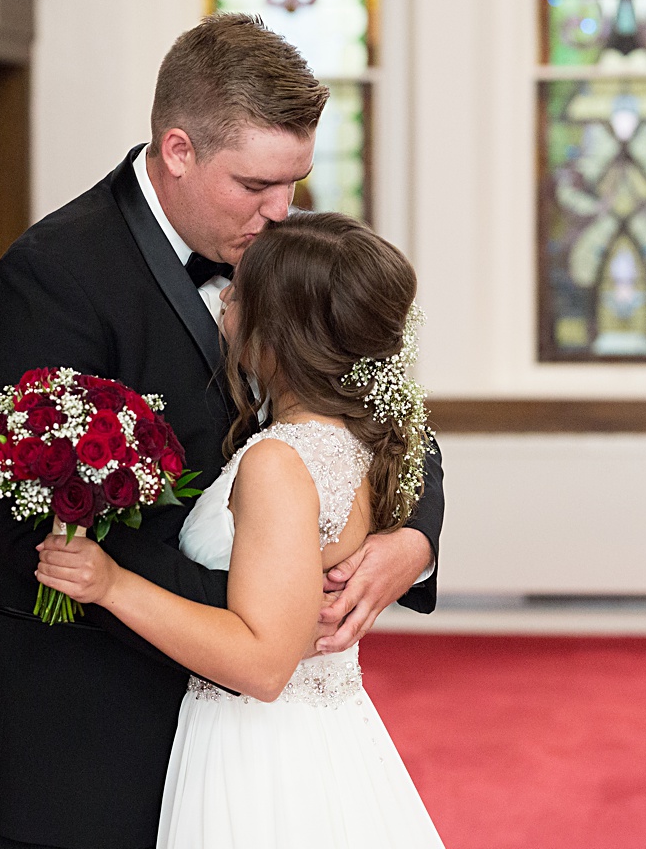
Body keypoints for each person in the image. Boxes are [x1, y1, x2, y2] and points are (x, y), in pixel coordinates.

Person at [0, 13, 444, 849]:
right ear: (179, 150)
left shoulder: (279, 252)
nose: (281, 212)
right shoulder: (55, 279)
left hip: (241, 732)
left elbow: (387, 404)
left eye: (296, 183)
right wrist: (270, 619)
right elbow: (37, 509)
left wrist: (410, 543)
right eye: (256, 186)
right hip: (79, 728)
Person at [36, 212, 445, 847]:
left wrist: (112, 584)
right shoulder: (364, 439)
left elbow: (261, 664)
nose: (224, 297)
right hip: (320, 736)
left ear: (276, 333)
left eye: (239, 293)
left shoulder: (277, 462)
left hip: (260, 746)